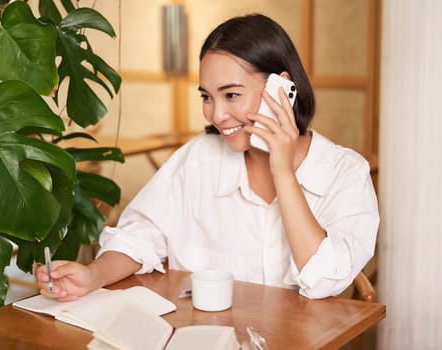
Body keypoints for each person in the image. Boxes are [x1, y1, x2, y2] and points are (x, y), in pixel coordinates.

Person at [35, 13, 378, 300]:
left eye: (231, 95)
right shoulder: (199, 159)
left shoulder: (344, 172)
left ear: (281, 88)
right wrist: (93, 276)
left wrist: (284, 173)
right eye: (207, 97)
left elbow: (326, 281)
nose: (216, 114)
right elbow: (141, 234)